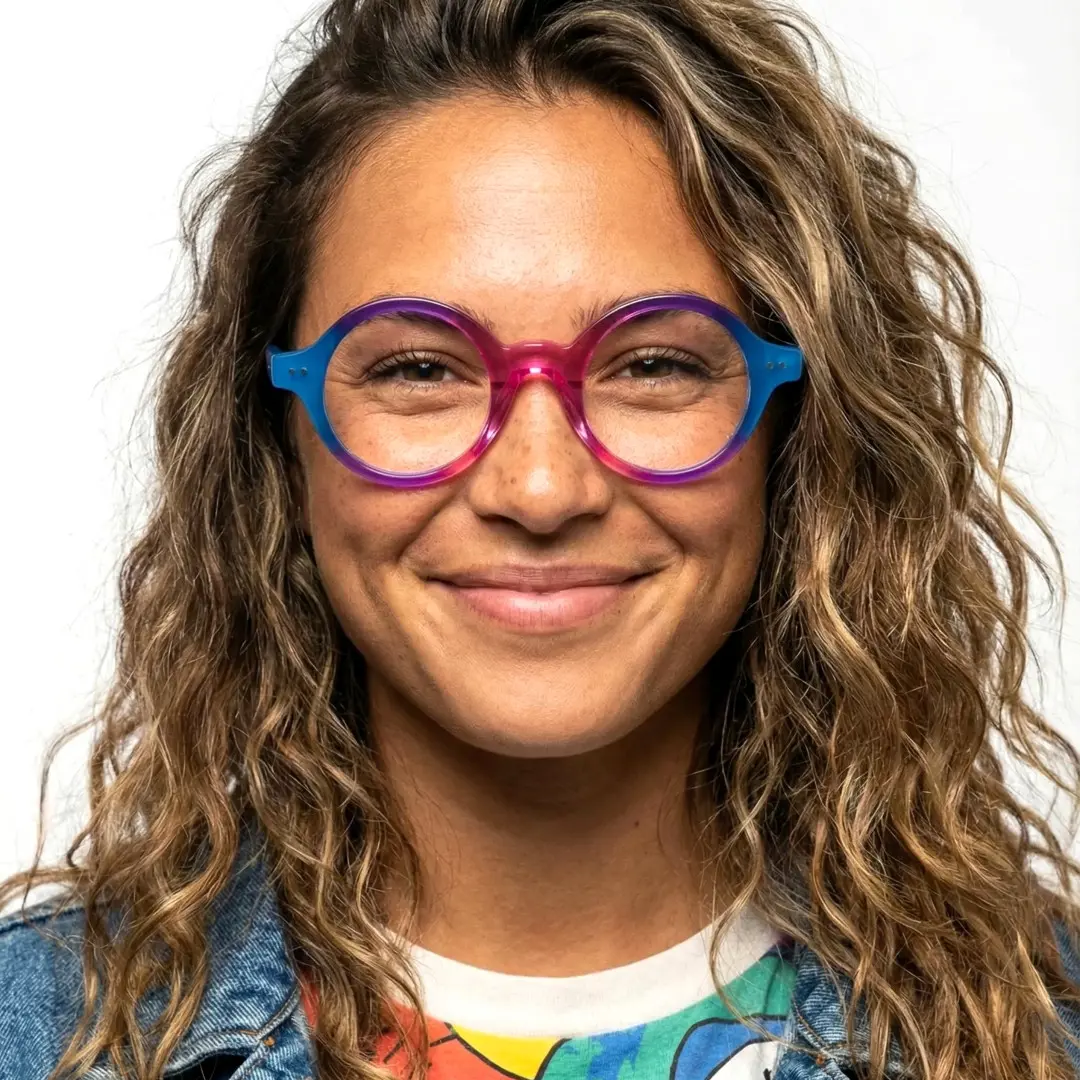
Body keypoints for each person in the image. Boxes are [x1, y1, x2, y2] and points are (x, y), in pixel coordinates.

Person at [2, 0, 1079, 1078]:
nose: (540, 485)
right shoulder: (39, 1036)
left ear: (800, 432)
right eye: (418, 368)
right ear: (273, 440)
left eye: (654, 364)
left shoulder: (1044, 1033)